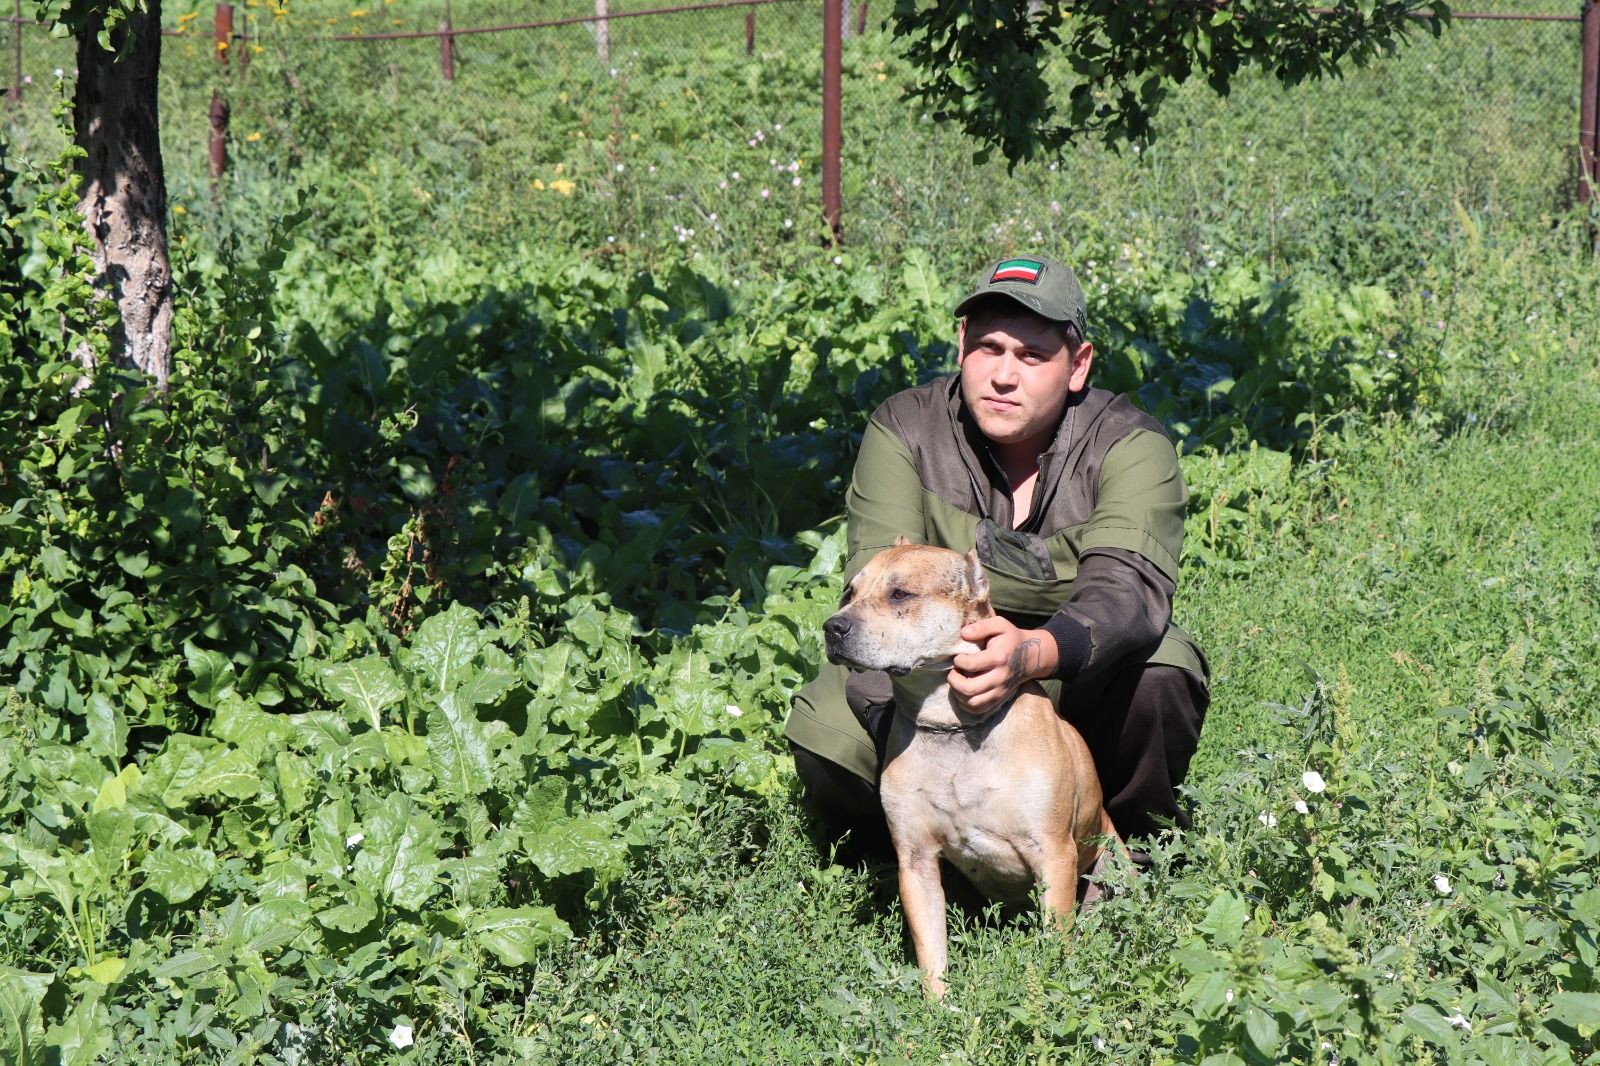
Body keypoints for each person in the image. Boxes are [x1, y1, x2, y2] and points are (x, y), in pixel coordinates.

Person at [784, 252, 1208, 862]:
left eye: (1032, 356)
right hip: (931, 677)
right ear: (961, 344)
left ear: (1077, 366)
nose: (1004, 376)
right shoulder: (906, 428)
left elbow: (1129, 591)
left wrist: (1029, 655)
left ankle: (1128, 866)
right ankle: (917, 865)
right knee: (828, 720)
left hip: (1070, 678)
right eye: (989, 348)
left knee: (1161, 669)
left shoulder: (1129, 445)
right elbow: (873, 579)